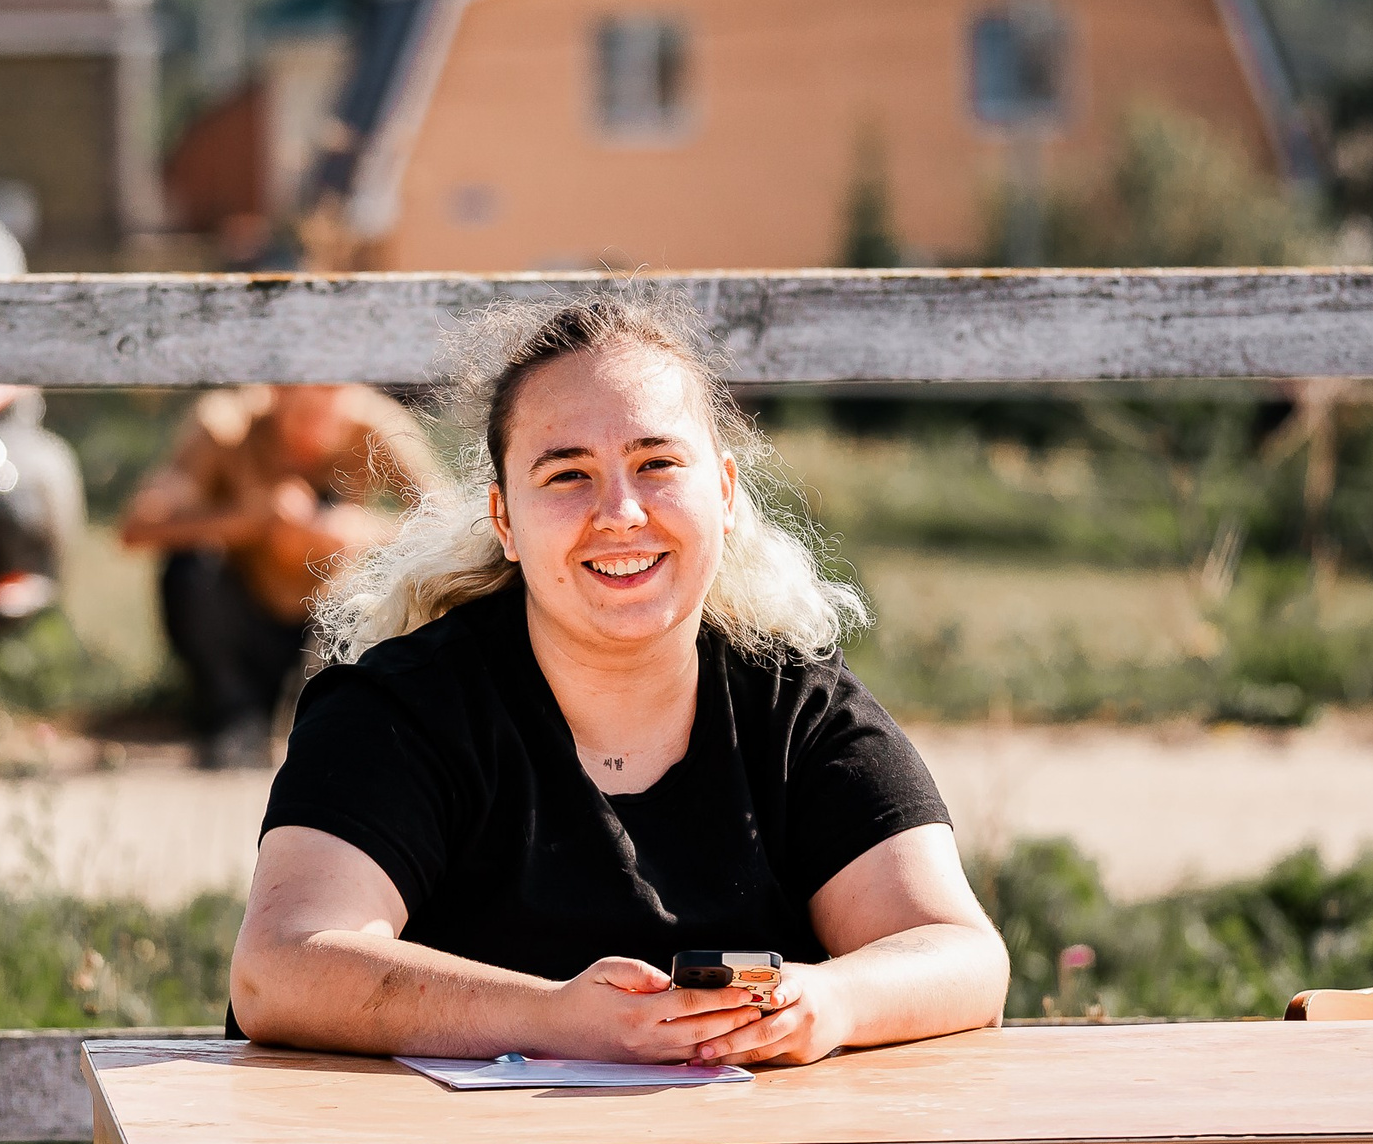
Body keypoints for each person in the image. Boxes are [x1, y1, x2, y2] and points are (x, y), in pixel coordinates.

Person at [228, 295, 1008, 1065]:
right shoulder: (400, 708)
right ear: (504, 520)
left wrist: (830, 1001)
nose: (621, 511)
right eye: (567, 474)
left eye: (657, 462)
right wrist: (555, 1018)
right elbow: (279, 969)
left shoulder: (795, 704)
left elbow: (962, 954)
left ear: (727, 493)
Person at [119, 383, 439, 769]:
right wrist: (250, 521)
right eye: (302, 416)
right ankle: (233, 716)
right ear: (274, 392)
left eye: (327, 415)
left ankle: (349, 715)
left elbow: (450, 523)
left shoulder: (376, 424)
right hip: (241, 624)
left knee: (393, 571)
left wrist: (362, 531)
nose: (312, 434)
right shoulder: (226, 425)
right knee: (190, 567)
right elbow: (137, 527)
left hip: (329, 624)